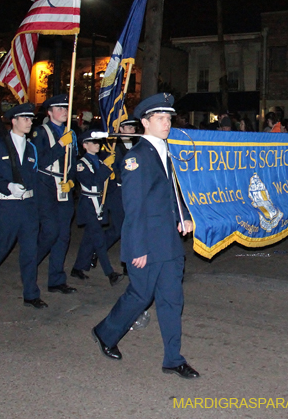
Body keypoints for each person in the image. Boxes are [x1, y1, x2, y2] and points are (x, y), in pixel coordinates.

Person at [91, 93, 199, 379]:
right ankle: (105, 332)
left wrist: (183, 217)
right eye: (161, 119)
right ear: (145, 122)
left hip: (169, 242)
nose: (167, 123)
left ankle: (173, 359)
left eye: (169, 118)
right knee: (140, 296)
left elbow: (173, 193)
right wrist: (135, 249)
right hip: (147, 243)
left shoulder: (168, 152)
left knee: (172, 300)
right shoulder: (136, 159)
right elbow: (134, 208)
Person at [0, 104, 46, 308]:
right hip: (8, 207)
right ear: (14, 121)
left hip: (29, 207)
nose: (30, 122)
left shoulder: (31, 148)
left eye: (31, 119)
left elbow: (34, 179)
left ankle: (30, 294)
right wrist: (9, 186)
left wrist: (37, 208)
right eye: (25, 119)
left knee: (30, 252)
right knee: (1, 249)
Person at [32, 94, 78, 296]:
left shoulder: (71, 133)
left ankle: (56, 279)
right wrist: (60, 145)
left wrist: (72, 181)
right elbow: (39, 161)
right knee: (50, 231)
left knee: (63, 235)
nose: (64, 112)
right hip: (46, 184)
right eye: (59, 109)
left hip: (64, 185)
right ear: (50, 112)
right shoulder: (41, 132)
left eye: (65, 108)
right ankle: (30, 263)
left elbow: (74, 161)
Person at [70, 130, 124, 286]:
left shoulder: (99, 161)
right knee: (99, 239)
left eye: (98, 142)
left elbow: (105, 184)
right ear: (85, 145)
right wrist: (106, 169)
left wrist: (112, 176)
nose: (97, 145)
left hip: (99, 202)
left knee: (89, 238)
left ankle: (78, 267)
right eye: (93, 142)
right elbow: (92, 182)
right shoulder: (81, 164)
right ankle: (110, 273)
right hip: (88, 204)